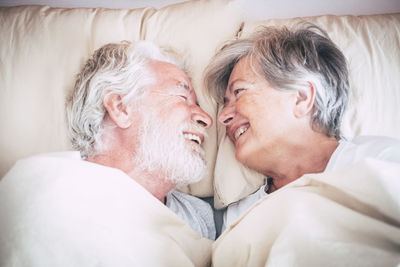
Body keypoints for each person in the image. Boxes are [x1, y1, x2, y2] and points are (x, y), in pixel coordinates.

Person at [0, 41, 215, 266]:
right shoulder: (45, 187)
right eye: (182, 97)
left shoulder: (198, 218)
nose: (205, 119)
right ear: (121, 108)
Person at [204, 24, 400, 231]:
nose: (223, 116)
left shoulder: (383, 162)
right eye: (225, 103)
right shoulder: (239, 217)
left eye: (239, 92)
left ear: (302, 97)